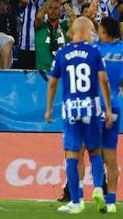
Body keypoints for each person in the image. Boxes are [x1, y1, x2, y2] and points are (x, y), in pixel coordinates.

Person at [44, 16, 113, 214]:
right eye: (92, 32)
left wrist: (49, 108)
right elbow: (103, 80)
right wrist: (107, 108)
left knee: (72, 155)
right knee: (95, 152)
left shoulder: (62, 53)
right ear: (85, 32)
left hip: (71, 109)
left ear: (74, 32)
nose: (93, 35)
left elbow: (53, 83)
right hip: (91, 108)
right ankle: (99, 189)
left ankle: (76, 201)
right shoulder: (94, 51)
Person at [97, 17, 123, 214]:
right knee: (111, 154)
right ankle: (112, 200)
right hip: (116, 105)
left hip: (97, 104)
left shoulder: (95, 49)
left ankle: (94, 190)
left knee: (85, 149)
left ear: (104, 30)